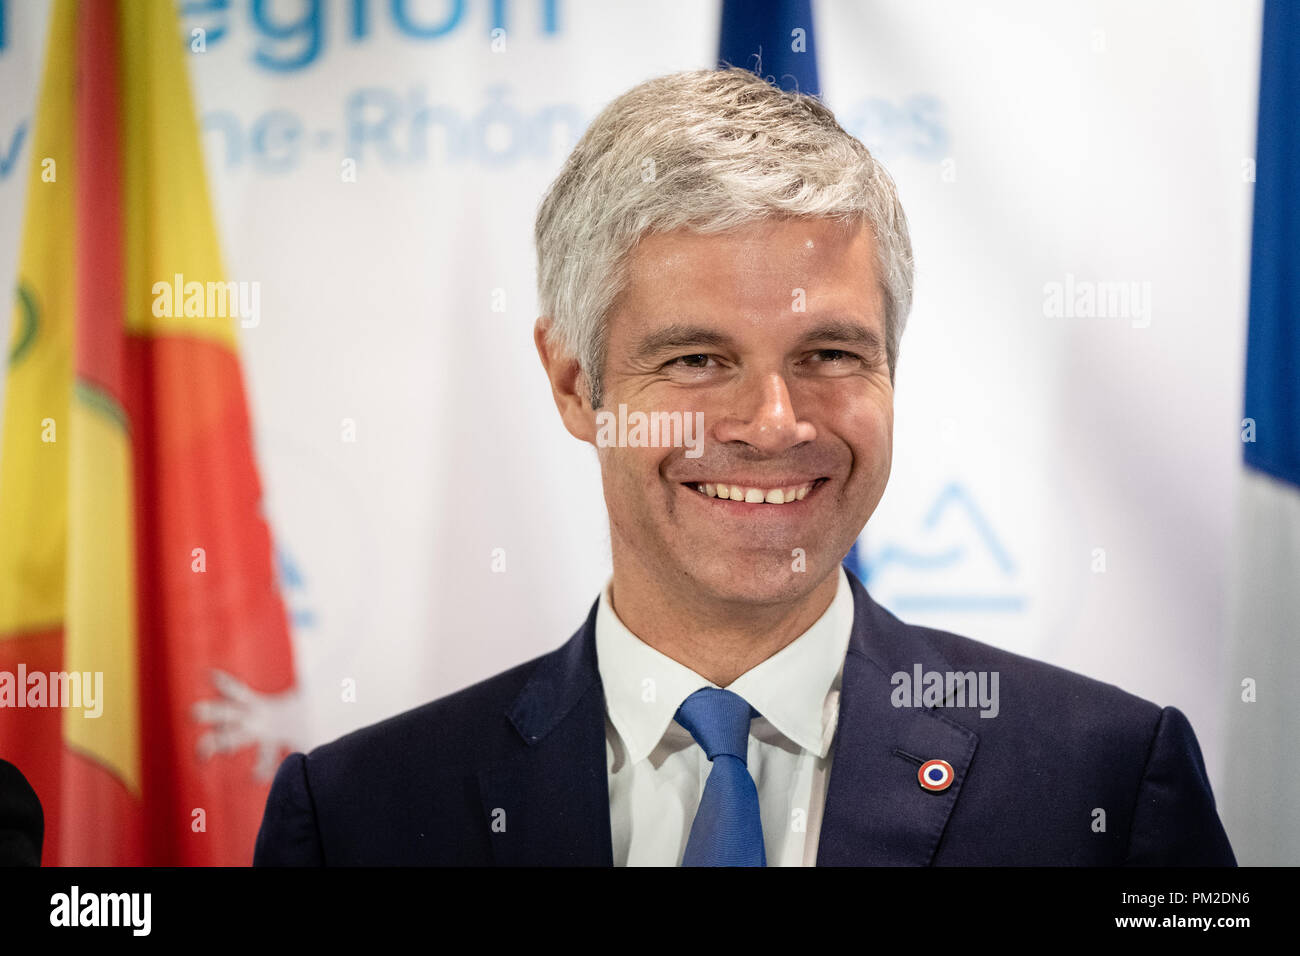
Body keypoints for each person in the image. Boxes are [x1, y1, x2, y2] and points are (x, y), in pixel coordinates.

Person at [253, 67, 1235, 866]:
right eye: (696, 359)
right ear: (571, 384)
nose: (773, 423)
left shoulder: (1104, 782)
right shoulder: (359, 817)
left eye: (830, 354)